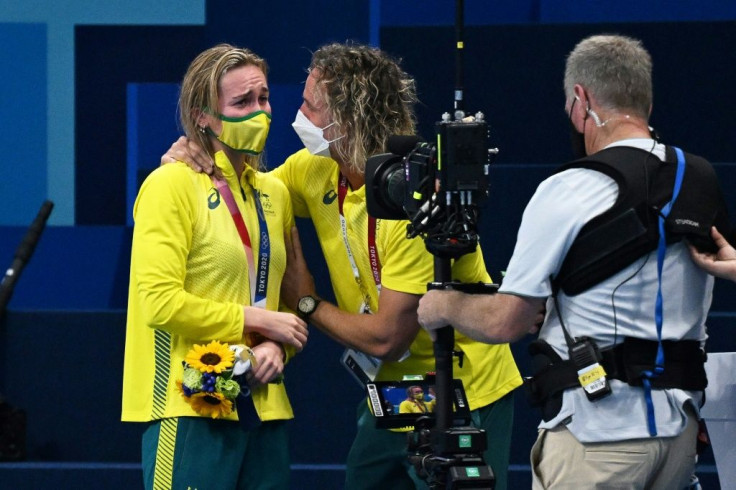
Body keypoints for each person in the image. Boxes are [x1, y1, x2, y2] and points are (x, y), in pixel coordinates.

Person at [163, 41, 522, 490]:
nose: (295, 116)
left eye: (310, 107)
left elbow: (389, 338)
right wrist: (192, 156)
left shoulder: (416, 198)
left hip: (464, 390)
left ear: (346, 122)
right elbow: (243, 193)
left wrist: (306, 303)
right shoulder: (314, 168)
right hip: (395, 392)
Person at [418, 34, 734, 489]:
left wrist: (442, 307)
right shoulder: (699, 177)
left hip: (597, 437)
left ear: (582, 100)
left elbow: (506, 323)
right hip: (679, 436)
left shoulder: (568, 188)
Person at [122, 43, 309, 490]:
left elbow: (293, 305)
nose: (259, 113)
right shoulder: (171, 184)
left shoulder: (275, 193)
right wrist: (255, 320)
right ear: (203, 114)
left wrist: (277, 348)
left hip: (263, 404)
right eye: (242, 102)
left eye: (263, 99)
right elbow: (159, 303)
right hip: (188, 404)